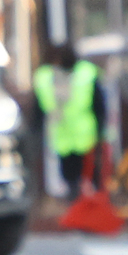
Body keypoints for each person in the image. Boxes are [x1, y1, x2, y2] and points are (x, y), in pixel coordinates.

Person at [34, 39, 103, 194]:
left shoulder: (86, 74)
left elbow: (99, 105)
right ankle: (76, 208)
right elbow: (39, 110)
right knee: (70, 179)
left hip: (85, 137)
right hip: (63, 137)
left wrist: (101, 131)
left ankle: (89, 208)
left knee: (90, 178)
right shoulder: (45, 77)